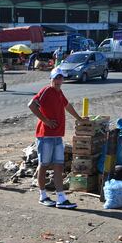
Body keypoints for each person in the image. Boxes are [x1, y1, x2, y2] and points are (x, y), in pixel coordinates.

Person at [28, 66, 85, 209]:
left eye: (61, 78)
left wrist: (79, 118)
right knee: (44, 165)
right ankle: (43, 195)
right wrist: (46, 121)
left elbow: (67, 106)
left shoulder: (60, 93)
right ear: (51, 79)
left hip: (57, 136)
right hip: (45, 136)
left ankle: (61, 198)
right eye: (56, 78)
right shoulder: (47, 90)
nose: (59, 81)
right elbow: (31, 105)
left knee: (58, 166)